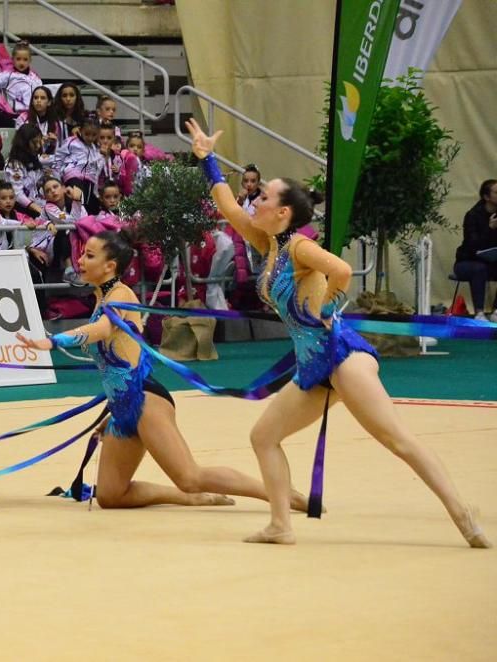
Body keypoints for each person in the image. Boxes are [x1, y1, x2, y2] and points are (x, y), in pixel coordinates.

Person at [185, 117, 491, 547]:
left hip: (342, 356)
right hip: (313, 368)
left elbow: (343, 270)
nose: (255, 199)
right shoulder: (268, 244)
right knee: (263, 437)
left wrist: (323, 309)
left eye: (265, 195)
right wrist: (207, 160)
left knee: (396, 439)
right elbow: (229, 208)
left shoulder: (298, 247)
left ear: (283, 211)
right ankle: (280, 525)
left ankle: (463, 516)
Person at [17, 229, 317, 513]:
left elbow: (103, 329)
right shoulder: (102, 296)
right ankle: (187, 498)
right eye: (82, 254)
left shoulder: (120, 295)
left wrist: (55, 340)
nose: (80, 261)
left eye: (89, 255)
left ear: (110, 266)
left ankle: (279, 493)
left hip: (146, 400)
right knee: (111, 495)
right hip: (124, 406)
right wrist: (113, 410)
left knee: (190, 476)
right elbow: (123, 356)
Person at [453, 179, 497, 321]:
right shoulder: (473, 215)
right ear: (486, 197)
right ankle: (479, 312)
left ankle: (496, 311)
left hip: (492, 261)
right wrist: (489, 228)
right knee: (479, 268)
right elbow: (472, 245)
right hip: (467, 261)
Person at [4, 123, 46, 217]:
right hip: (23, 208)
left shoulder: (35, 159)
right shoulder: (14, 164)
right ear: (24, 143)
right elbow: (18, 194)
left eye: (40, 141)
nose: (38, 146)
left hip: (38, 201)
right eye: (35, 142)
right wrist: (39, 209)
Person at [0, 42, 42, 115]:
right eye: (18, 59)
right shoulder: (8, 75)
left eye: (25, 59)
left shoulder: (35, 78)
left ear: (30, 60)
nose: (21, 62)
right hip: (12, 114)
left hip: (30, 115)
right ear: (13, 59)